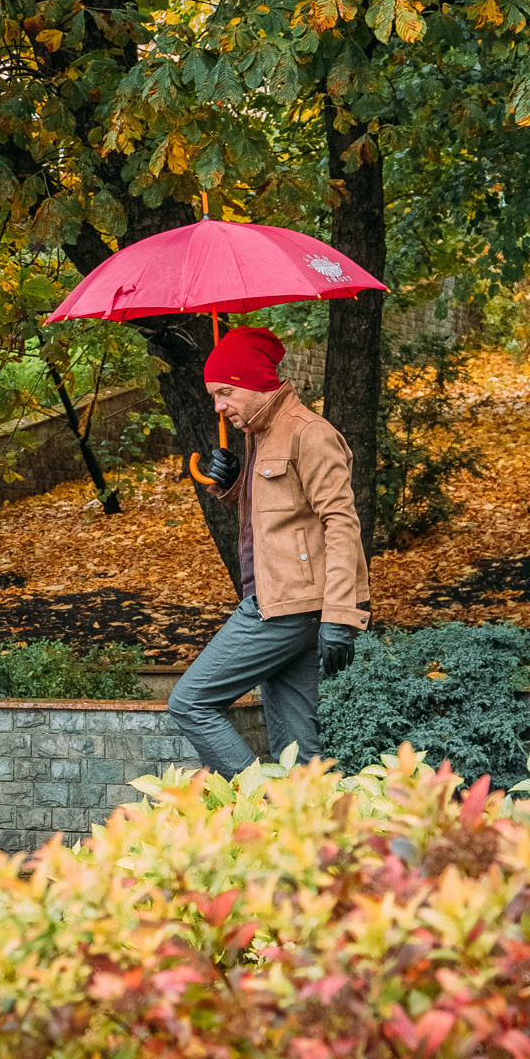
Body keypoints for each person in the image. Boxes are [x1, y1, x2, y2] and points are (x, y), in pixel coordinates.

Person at [166, 323, 371, 778]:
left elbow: (340, 522)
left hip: (286, 608)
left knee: (190, 702)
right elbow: (280, 516)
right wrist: (233, 481)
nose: (219, 406)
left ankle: (260, 806)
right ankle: (318, 833)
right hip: (284, 600)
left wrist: (342, 613)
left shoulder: (309, 434)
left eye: (224, 392)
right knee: (297, 746)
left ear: (252, 384)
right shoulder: (261, 432)